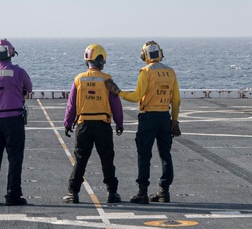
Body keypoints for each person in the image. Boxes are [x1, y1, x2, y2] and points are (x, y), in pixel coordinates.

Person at [106, 40, 181, 204]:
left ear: (144, 55)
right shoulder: (171, 72)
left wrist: (118, 92)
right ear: (160, 53)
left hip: (148, 118)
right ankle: (164, 191)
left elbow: (136, 96)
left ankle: (142, 192)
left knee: (144, 154)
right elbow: (176, 100)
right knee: (165, 155)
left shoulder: (145, 72)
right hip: (164, 117)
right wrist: (174, 121)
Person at [62, 43, 124, 204]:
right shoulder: (107, 80)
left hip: (84, 126)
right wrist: (119, 123)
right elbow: (115, 103)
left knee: (81, 160)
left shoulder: (79, 79)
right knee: (107, 160)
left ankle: (73, 193)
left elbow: (71, 104)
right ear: (102, 60)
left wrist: (67, 123)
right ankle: (112, 193)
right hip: (103, 125)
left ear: (87, 60)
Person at [0, 38, 33, 206]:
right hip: (14, 119)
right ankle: (13, 195)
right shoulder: (19, 72)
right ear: (11, 52)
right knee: (15, 158)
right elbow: (29, 89)